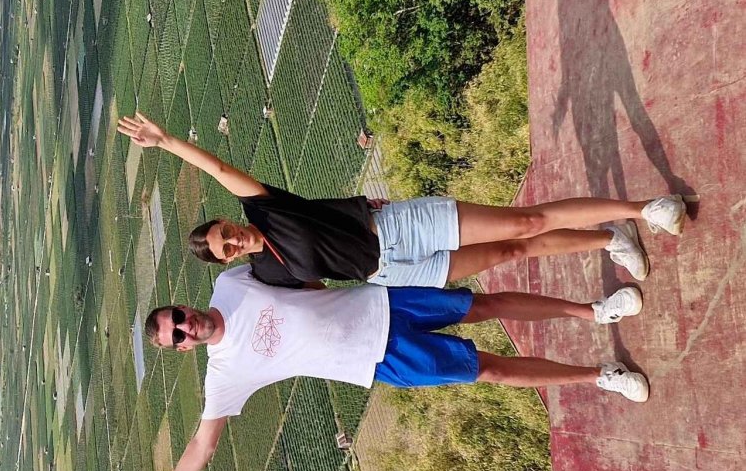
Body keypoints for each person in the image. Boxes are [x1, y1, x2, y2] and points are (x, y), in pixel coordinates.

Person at [116, 264, 649, 471]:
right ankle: (602, 377)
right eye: (177, 337)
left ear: (182, 305)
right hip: (380, 360)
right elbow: (201, 445)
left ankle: (594, 311)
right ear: (183, 348)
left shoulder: (230, 282)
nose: (185, 327)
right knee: (490, 368)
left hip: (383, 302)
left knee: (481, 305)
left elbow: (296, 269)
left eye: (176, 318)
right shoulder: (225, 375)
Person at [116, 112, 685, 290]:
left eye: (224, 232)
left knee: (525, 219)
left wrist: (166, 143)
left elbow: (217, 167)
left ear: (226, 220)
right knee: (512, 253)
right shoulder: (267, 274)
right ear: (227, 261)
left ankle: (642, 211)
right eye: (225, 250)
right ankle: (609, 240)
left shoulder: (265, 209)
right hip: (390, 273)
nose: (232, 241)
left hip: (394, 230)